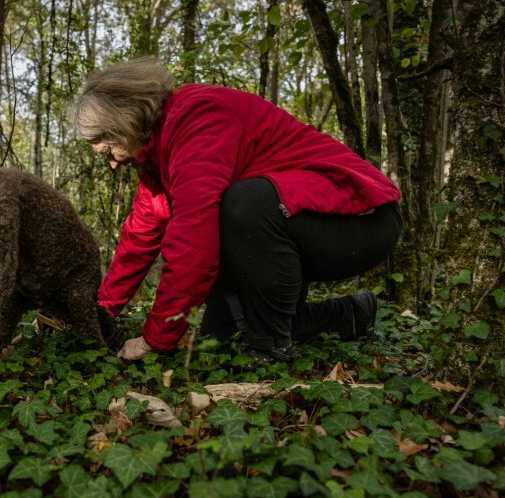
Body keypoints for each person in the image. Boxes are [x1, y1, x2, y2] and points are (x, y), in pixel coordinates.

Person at [74, 58, 402, 362]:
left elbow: (193, 243)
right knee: (220, 337)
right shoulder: (155, 161)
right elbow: (139, 238)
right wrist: (99, 312)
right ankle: (349, 314)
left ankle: (269, 346)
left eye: (109, 151)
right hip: (294, 221)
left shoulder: (197, 119)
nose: (114, 163)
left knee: (242, 202)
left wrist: (154, 340)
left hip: (361, 222)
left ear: (127, 122)